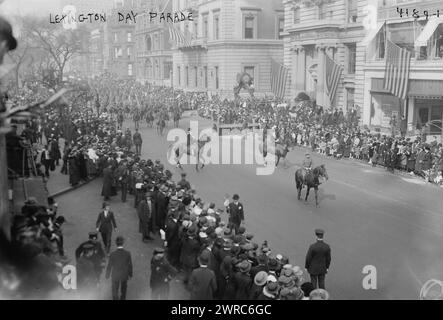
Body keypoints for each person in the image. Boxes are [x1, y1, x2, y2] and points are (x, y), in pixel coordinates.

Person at [106, 236, 133, 300]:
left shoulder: (112, 254)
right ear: (123, 243)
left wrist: (107, 275)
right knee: (124, 290)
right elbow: (130, 265)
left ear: (116, 243)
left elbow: (109, 265)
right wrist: (130, 274)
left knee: (114, 289)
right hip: (124, 274)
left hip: (115, 274)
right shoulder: (127, 253)